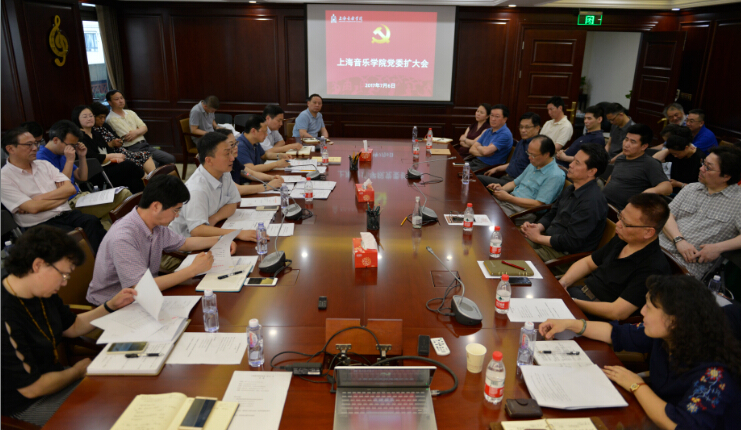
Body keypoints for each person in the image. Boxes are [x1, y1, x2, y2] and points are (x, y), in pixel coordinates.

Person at [540, 275, 741, 430]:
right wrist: (571, 324)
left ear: (674, 320)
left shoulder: (715, 373)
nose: (642, 311)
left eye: (650, 308)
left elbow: (679, 424)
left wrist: (636, 385)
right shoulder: (668, 334)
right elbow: (616, 333)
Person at [2, 226, 137, 426]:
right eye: (63, 275)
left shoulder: (40, 290)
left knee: (127, 389)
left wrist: (110, 306)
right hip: (24, 405)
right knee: (113, 410)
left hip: (57, 379)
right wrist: (77, 371)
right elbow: (32, 389)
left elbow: (73, 326)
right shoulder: (6, 314)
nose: (64, 283)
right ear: (38, 265)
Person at [87, 175, 239, 305]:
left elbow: (184, 243)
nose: (177, 215)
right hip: (113, 305)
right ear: (156, 206)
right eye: (176, 210)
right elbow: (140, 287)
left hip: (145, 294)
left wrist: (220, 239)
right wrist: (193, 270)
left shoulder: (154, 224)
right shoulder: (123, 238)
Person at [559, 193, 671, 321]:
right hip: (578, 295)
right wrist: (563, 283)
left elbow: (617, 312)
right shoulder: (623, 239)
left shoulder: (654, 268)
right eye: (620, 216)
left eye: (626, 223)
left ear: (648, 232)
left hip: (595, 316)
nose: (618, 224)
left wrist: (570, 301)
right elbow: (588, 263)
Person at [1, 128, 107, 253]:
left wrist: (39, 199)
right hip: (39, 225)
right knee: (74, 239)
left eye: (35, 143)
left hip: (66, 214)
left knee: (92, 221)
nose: (35, 148)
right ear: (10, 149)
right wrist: (61, 197)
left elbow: (70, 189)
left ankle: (100, 261)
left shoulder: (44, 165)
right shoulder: (4, 178)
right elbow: (33, 208)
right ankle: (90, 262)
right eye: (29, 144)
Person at [659, 146, 741, 280]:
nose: (701, 169)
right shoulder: (692, 188)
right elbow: (667, 215)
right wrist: (679, 240)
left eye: (708, 167)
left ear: (726, 176)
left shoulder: (738, 202)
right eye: (703, 163)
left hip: (686, 265)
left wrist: (718, 248)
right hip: (658, 248)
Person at [521, 142, 609, 266]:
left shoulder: (592, 202)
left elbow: (571, 242)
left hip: (564, 256)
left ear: (591, 171)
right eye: (573, 160)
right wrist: (537, 227)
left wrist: (537, 238)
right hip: (548, 240)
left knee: (517, 255)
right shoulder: (572, 188)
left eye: (577, 163)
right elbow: (553, 213)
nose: (570, 165)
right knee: (512, 241)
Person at [169, 131, 259, 242]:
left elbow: (232, 204)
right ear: (209, 160)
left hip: (213, 230)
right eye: (227, 154)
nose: (232, 158)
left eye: (231, 152)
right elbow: (197, 230)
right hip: (188, 244)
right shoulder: (196, 189)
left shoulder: (224, 173)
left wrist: (214, 218)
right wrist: (238, 233)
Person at [36, 120, 132, 221]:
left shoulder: (62, 152)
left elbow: (82, 177)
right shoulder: (41, 159)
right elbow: (62, 187)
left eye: (75, 145)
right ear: (55, 140)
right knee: (125, 195)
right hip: (68, 203)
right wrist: (69, 161)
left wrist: (82, 156)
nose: (73, 149)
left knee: (107, 218)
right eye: (71, 145)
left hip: (81, 197)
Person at [486, 135, 565, 225]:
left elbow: (538, 204)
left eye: (533, 155)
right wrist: (501, 189)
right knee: (482, 205)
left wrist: (509, 198)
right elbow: (515, 183)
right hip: (510, 200)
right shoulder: (534, 164)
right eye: (528, 153)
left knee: (490, 217)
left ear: (547, 154)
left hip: (524, 211)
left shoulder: (555, 175)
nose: (529, 157)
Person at [71, 105, 145, 194]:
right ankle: (148, 179)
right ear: (77, 118)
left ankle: (142, 199)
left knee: (133, 180)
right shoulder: (78, 138)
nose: (89, 118)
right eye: (85, 116)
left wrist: (115, 158)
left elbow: (108, 150)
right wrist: (114, 156)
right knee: (128, 165)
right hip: (94, 174)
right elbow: (93, 157)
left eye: (91, 116)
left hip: (108, 168)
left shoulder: (96, 134)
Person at [602, 124, 671, 209]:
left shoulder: (650, 163)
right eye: (626, 139)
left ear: (644, 146)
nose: (626, 145)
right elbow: (612, 177)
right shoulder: (621, 158)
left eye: (633, 142)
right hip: (604, 203)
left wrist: (649, 191)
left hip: (622, 210)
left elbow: (667, 187)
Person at [105, 90, 176, 166]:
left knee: (170, 159)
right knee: (154, 164)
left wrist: (135, 132)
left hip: (145, 145)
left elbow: (145, 128)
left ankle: (159, 172)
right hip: (131, 149)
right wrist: (139, 130)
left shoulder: (130, 112)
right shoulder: (110, 119)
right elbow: (127, 136)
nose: (121, 101)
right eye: (116, 99)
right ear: (110, 102)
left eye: (121, 98)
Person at [89, 102, 155, 174]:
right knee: (134, 162)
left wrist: (119, 141)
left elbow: (117, 137)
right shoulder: (92, 131)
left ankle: (153, 177)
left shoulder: (105, 126)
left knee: (145, 155)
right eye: (100, 117)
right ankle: (148, 178)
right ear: (93, 116)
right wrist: (111, 144)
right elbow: (98, 150)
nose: (102, 120)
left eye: (104, 117)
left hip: (122, 151)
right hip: (112, 155)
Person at [477, 112, 540, 187]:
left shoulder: (538, 147)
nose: (523, 130)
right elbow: (514, 162)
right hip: (506, 177)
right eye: (521, 127)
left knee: (478, 179)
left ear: (537, 128)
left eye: (527, 127)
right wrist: (496, 169)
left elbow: (534, 173)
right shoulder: (521, 142)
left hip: (516, 183)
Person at [214, 129, 284, 196]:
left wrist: (271, 178)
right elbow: (237, 189)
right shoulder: (219, 166)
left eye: (235, 143)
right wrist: (267, 186)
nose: (236, 147)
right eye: (232, 145)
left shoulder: (234, 160)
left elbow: (250, 173)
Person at [467, 104, 514, 172]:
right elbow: (471, 150)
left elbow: (486, 151)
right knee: (455, 167)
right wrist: (482, 151)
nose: (493, 119)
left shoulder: (505, 134)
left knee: (460, 172)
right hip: (476, 161)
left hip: (488, 167)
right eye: (491, 115)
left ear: (505, 119)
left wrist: (479, 147)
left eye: (497, 116)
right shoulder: (488, 131)